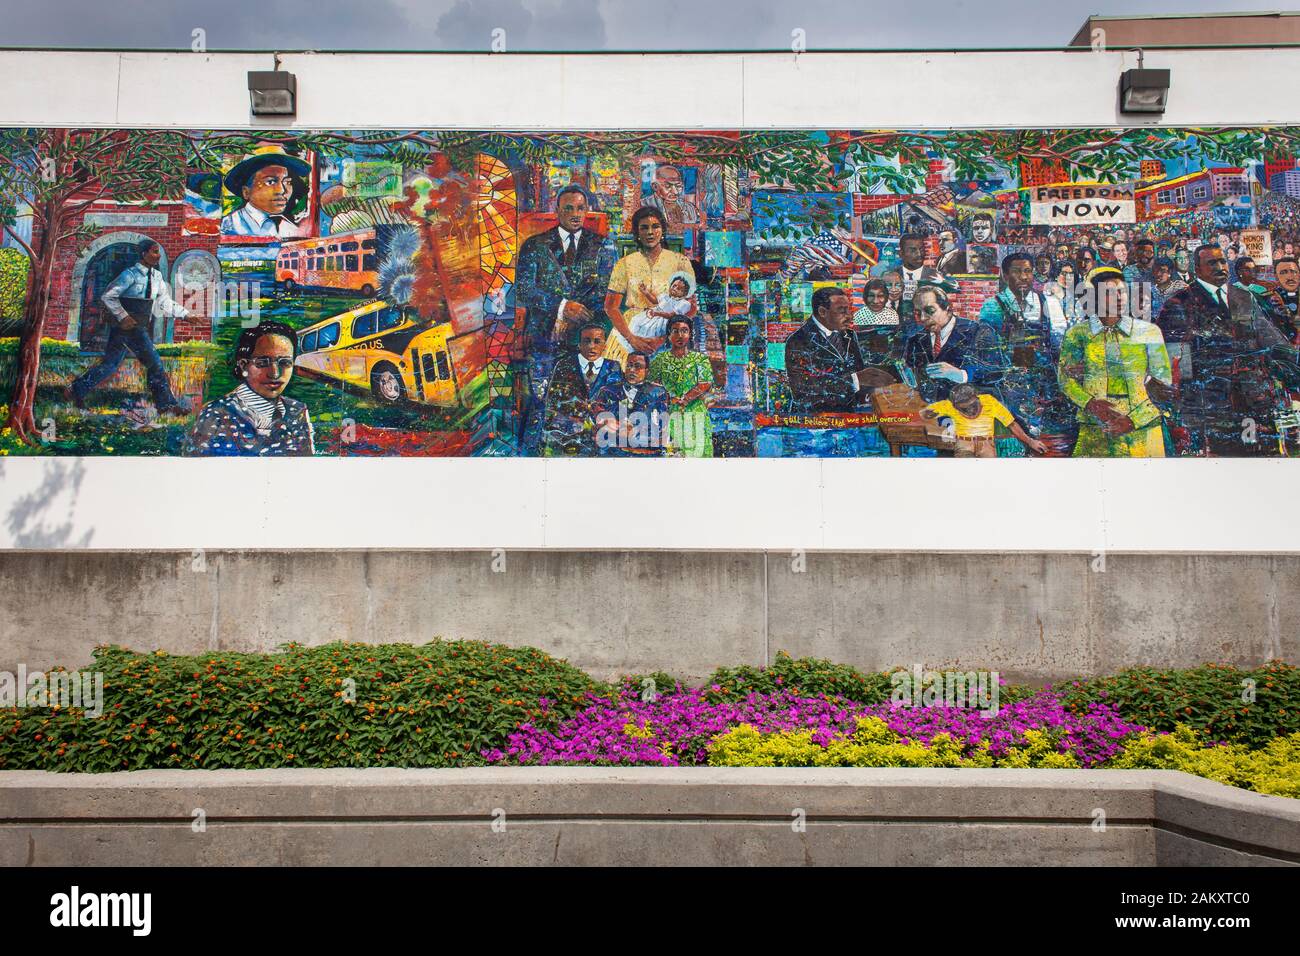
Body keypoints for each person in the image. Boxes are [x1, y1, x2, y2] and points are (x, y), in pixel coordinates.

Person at [1156, 244, 1297, 455]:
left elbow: (1273, 340)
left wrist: (1293, 366)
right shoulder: (1178, 303)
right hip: (1210, 407)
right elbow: (1178, 367)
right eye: (1212, 263)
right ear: (1197, 268)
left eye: (1222, 261)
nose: (1220, 267)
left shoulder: (1243, 296)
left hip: (1254, 400)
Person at [515, 184, 618, 455]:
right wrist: (561, 307)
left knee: (586, 404)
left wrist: (573, 316)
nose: (575, 214)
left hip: (585, 341)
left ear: (587, 211)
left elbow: (608, 290)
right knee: (540, 401)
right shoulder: (535, 245)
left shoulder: (603, 246)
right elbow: (524, 289)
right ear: (557, 210)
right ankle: (529, 459)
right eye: (568, 208)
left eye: (580, 208)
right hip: (544, 340)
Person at [66, 239, 191, 415]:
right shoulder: (129, 275)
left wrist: (186, 315)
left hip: (138, 327)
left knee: (110, 364)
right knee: (154, 363)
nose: (158, 256)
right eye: (154, 252)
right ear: (144, 254)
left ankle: (76, 389)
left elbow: (164, 302)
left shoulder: (156, 277)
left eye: (158, 252)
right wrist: (123, 316)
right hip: (127, 328)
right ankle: (166, 405)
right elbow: (108, 296)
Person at [1057, 268, 1172, 458]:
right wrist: (1090, 404)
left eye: (1123, 291)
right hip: (1096, 429)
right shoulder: (1078, 334)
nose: (1120, 298)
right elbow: (1065, 379)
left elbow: (1163, 384)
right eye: (1109, 293)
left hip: (1143, 430)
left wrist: (1133, 420)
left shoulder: (1148, 331)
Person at [184, 321, 314, 456]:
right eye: (263, 363)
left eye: (285, 363)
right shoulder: (216, 413)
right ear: (243, 366)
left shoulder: (297, 411)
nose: (275, 373)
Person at [604, 206, 696, 362]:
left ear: (662, 230)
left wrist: (662, 339)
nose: (650, 232)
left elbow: (691, 307)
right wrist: (632, 339)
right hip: (630, 329)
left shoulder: (681, 261)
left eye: (655, 226)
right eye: (644, 228)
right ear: (637, 233)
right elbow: (610, 307)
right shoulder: (624, 263)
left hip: (669, 330)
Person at [903, 283, 1008, 403]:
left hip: (973, 408)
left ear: (948, 308)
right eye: (918, 313)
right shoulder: (915, 340)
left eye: (929, 311)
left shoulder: (979, 331)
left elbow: (996, 371)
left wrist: (961, 375)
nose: (922, 318)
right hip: (930, 409)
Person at [786, 287, 882, 413]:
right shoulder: (798, 341)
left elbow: (859, 371)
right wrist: (855, 379)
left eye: (849, 309)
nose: (849, 316)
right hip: (814, 420)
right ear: (822, 312)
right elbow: (804, 390)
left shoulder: (849, 335)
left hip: (851, 415)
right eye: (842, 311)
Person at [543, 321, 624, 456]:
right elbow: (552, 401)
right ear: (579, 344)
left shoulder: (613, 367)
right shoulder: (564, 365)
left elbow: (619, 400)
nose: (591, 346)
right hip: (569, 435)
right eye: (586, 341)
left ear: (604, 345)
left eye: (597, 341)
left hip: (604, 436)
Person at [921, 383, 1047, 458]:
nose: (970, 411)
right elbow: (924, 413)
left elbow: (1011, 424)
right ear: (955, 405)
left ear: (977, 397)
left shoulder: (989, 401)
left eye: (972, 405)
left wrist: (1030, 441)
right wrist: (932, 413)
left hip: (986, 445)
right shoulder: (948, 405)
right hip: (964, 445)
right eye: (964, 409)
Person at [648, 316, 715, 457]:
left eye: (684, 331)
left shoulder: (700, 359)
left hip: (695, 411)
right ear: (669, 335)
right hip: (669, 412)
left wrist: (686, 399)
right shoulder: (659, 360)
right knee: (673, 452)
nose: (680, 335)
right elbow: (651, 385)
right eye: (675, 331)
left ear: (690, 334)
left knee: (698, 453)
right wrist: (669, 398)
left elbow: (706, 382)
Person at [220, 147, 314, 239]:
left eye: (287, 182)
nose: (282, 190)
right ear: (246, 192)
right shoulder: (228, 228)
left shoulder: (291, 229)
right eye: (270, 182)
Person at [594, 350, 669, 456]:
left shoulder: (658, 393)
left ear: (647, 371)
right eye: (629, 366)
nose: (632, 370)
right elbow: (597, 417)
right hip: (613, 450)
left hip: (645, 451)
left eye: (638, 366)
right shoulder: (607, 391)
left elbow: (661, 425)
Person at [632, 271, 695, 340]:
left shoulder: (683, 304)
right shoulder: (665, 296)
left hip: (664, 321)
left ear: (685, 293)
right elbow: (655, 301)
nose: (675, 289)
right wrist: (646, 292)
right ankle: (634, 339)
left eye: (679, 289)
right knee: (637, 321)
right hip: (653, 315)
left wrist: (657, 313)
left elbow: (671, 315)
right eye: (674, 286)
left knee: (650, 331)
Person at [896, 233, 946, 319]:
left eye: (922, 249)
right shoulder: (892, 276)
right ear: (901, 253)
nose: (919, 254)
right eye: (913, 250)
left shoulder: (935, 277)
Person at [645, 164, 700, 230]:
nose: (675, 192)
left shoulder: (690, 208)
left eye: (678, 186)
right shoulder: (644, 205)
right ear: (655, 186)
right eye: (668, 186)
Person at [1264, 255, 1300, 341]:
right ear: (1276, 276)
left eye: (1293, 271)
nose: (1290, 277)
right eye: (1283, 272)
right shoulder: (1268, 298)